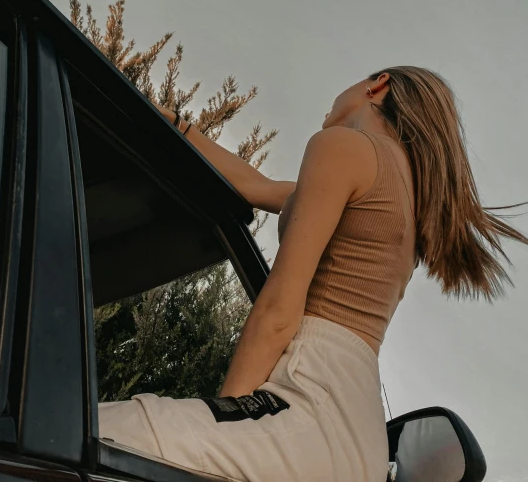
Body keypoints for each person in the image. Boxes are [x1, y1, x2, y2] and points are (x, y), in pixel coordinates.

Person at [99, 66, 527, 481]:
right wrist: (173, 125)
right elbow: (256, 187)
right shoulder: (406, 199)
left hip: (303, 410)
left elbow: (279, 310)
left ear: (378, 86)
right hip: (354, 440)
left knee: (81, 430)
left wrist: (229, 410)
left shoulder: (343, 147)